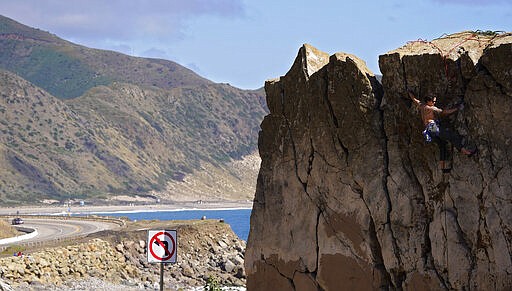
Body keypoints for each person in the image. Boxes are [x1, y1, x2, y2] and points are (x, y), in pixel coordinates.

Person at [408, 91, 476, 171]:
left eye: (435, 101)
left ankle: (443, 168)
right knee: (452, 136)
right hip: (434, 128)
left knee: (442, 145)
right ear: (428, 101)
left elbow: (414, 99)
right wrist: (457, 109)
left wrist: (409, 93)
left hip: (428, 131)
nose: (434, 102)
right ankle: (467, 152)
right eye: (433, 101)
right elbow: (444, 112)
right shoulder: (431, 108)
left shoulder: (422, 105)